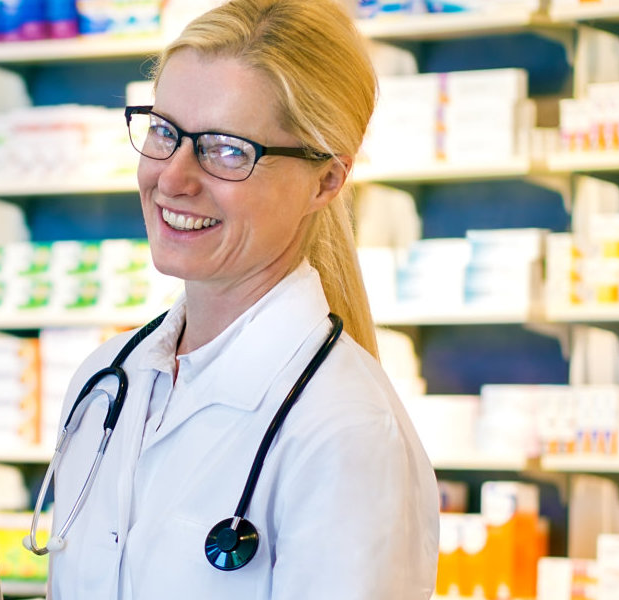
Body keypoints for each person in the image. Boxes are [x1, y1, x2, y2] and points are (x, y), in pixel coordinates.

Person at [34, 0, 438, 597]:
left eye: (227, 149)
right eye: (165, 131)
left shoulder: (346, 429)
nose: (173, 177)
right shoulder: (105, 381)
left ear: (326, 179)